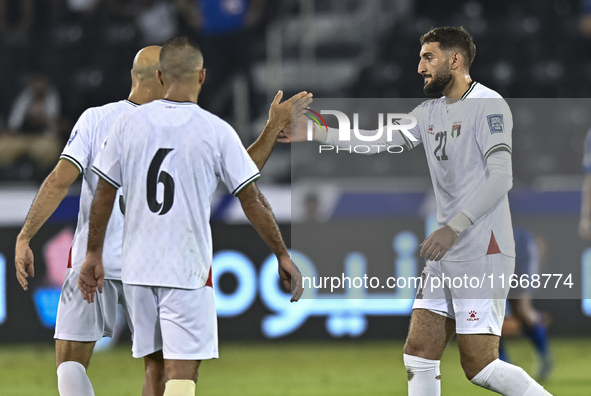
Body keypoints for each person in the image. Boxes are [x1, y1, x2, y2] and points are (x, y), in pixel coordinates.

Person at [15, 42, 310, 395]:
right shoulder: (195, 125)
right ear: (170, 76)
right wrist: (271, 131)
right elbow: (241, 181)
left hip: (94, 261)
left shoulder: (102, 119)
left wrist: (29, 236)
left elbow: (63, 180)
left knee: (70, 362)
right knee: (162, 368)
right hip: (152, 264)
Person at [279, 27, 551, 395]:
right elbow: (375, 140)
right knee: (419, 353)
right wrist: (316, 133)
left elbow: (501, 178)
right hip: (447, 252)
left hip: (482, 250)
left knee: (481, 366)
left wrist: (453, 227)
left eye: (428, 57)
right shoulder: (429, 113)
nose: (419, 66)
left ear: (455, 60)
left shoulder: (488, 105)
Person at [498, 228, 553, 381]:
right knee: (492, 312)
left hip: (521, 249)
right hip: (493, 256)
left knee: (521, 309)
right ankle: (504, 366)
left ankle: (544, 354)